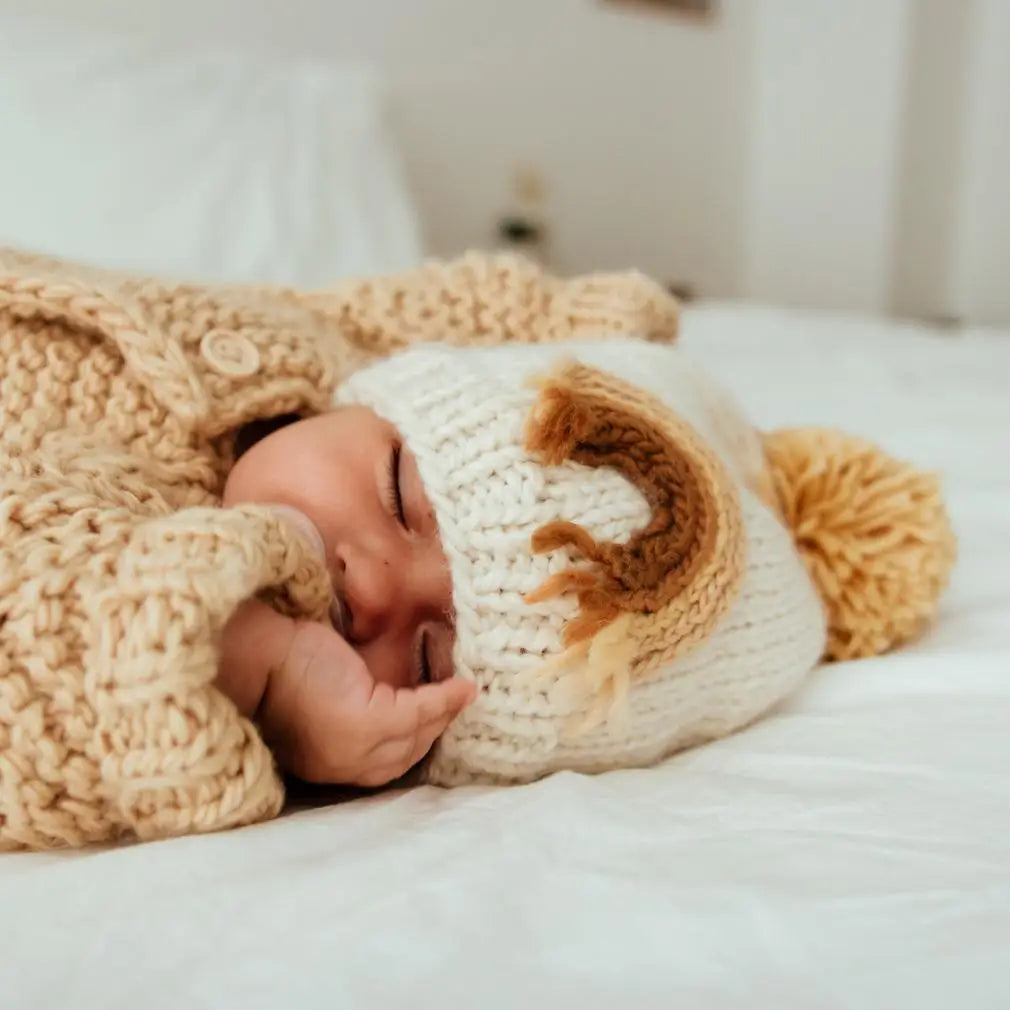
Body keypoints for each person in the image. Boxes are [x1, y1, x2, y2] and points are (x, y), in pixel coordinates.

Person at [0, 245, 681, 850]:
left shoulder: (127, 524)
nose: (373, 590)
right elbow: (456, 311)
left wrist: (258, 669)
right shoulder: (334, 353)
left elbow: (38, 665)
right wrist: (599, 324)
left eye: (425, 661)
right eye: (396, 497)